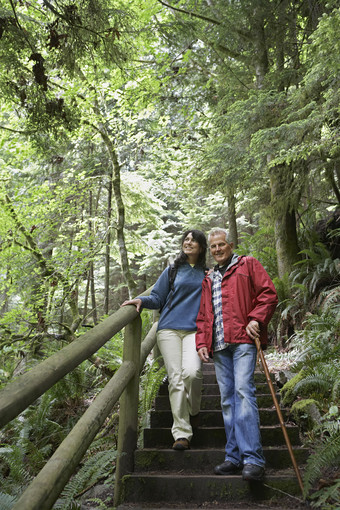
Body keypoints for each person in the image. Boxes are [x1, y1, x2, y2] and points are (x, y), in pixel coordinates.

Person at [196, 228, 278, 481]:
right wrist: (201, 341)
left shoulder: (248, 264)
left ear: (230, 245)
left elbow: (268, 294)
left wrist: (256, 319)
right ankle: (233, 457)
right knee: (227, 400)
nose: (217, 249)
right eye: (213, 247)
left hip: (243, 340)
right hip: (219, 346)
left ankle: (253, 459)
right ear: (210, 250)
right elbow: (203, 315)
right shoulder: (208, 279)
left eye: (221, 245)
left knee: (243, 392)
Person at [122, 229, 207, 450]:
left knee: (193, 372)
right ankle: (182, 433)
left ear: (201, 246)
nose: (188, 242)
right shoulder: (172, 270)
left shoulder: (208, 273)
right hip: (168, 329)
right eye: (186, 239)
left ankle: (194, 411)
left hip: (194, 330)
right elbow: (158, 297)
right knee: (176, 378)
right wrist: (140, 300)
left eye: (193, 240)